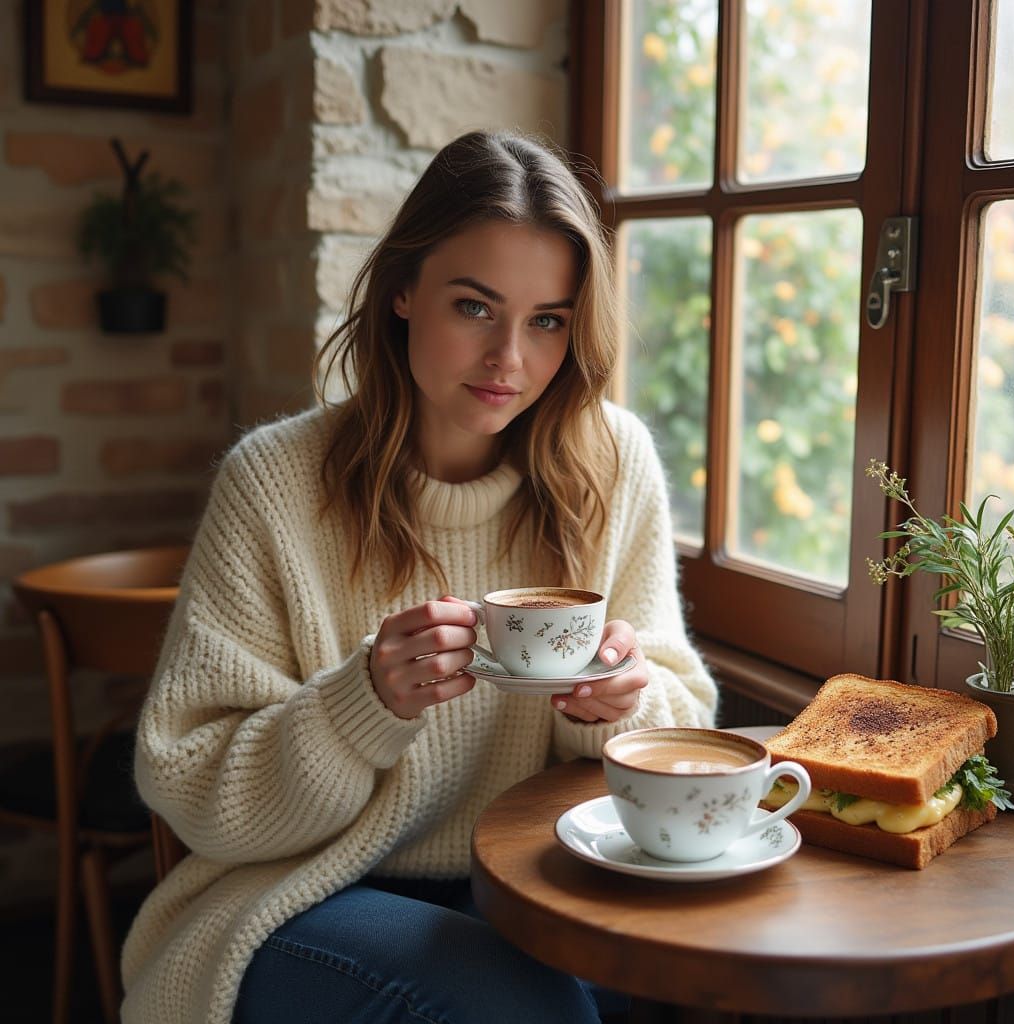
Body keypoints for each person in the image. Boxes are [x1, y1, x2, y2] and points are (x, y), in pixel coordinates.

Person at [122, 129, 717, 1024]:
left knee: (666, 981)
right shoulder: (276, 481)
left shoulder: (611, 464)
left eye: (547, 320)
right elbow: (191, 783)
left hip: (529, 881)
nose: (508, 360)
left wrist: (624, 703)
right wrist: (358, 704)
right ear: (403, 291)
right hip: (301, 894)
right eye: (474, 307)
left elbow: (683, 714)